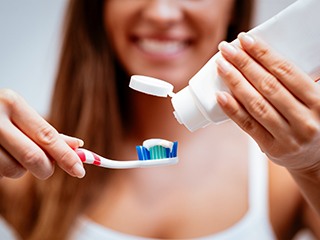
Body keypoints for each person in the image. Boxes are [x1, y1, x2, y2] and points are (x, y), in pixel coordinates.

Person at [0, 0, 319, 239]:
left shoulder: (287, 174)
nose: (162, 14)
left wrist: (313, 168)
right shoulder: (27, 158)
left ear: (233, 6)